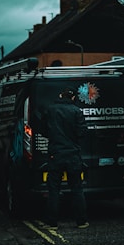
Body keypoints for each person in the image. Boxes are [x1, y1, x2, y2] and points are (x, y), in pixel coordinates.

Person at [40, 86, 89, 230]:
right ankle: (81, 221)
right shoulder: (76, 111)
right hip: (73, 154)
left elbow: (43, 129)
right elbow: (82, 133)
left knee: (54, 189)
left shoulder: (50, 110)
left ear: (61, 96)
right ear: (73, 98)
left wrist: (55, 138)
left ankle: (52, 222)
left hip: (56, 154)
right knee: (77, 189)